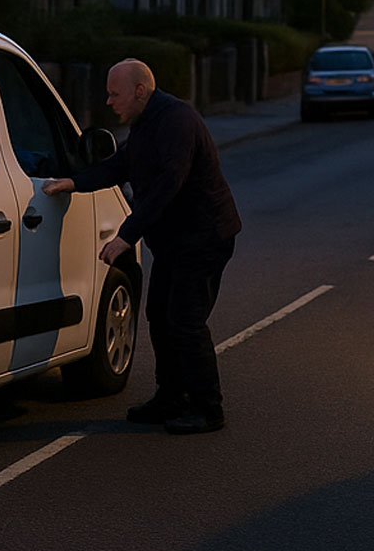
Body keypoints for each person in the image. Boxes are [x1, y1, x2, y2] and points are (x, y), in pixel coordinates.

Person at [41, 59, 241, 434]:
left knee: (185, 321)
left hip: (204, 237)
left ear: (139, 91)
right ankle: (171, 397)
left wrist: (124, 236)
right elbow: (119, 166)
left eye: (115, 94)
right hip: (174, 241)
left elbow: (168, 185)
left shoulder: (177, 121)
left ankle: (208, 408)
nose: (108, 101)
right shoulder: (146, 123)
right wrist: (72, 182)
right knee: (159, 317)